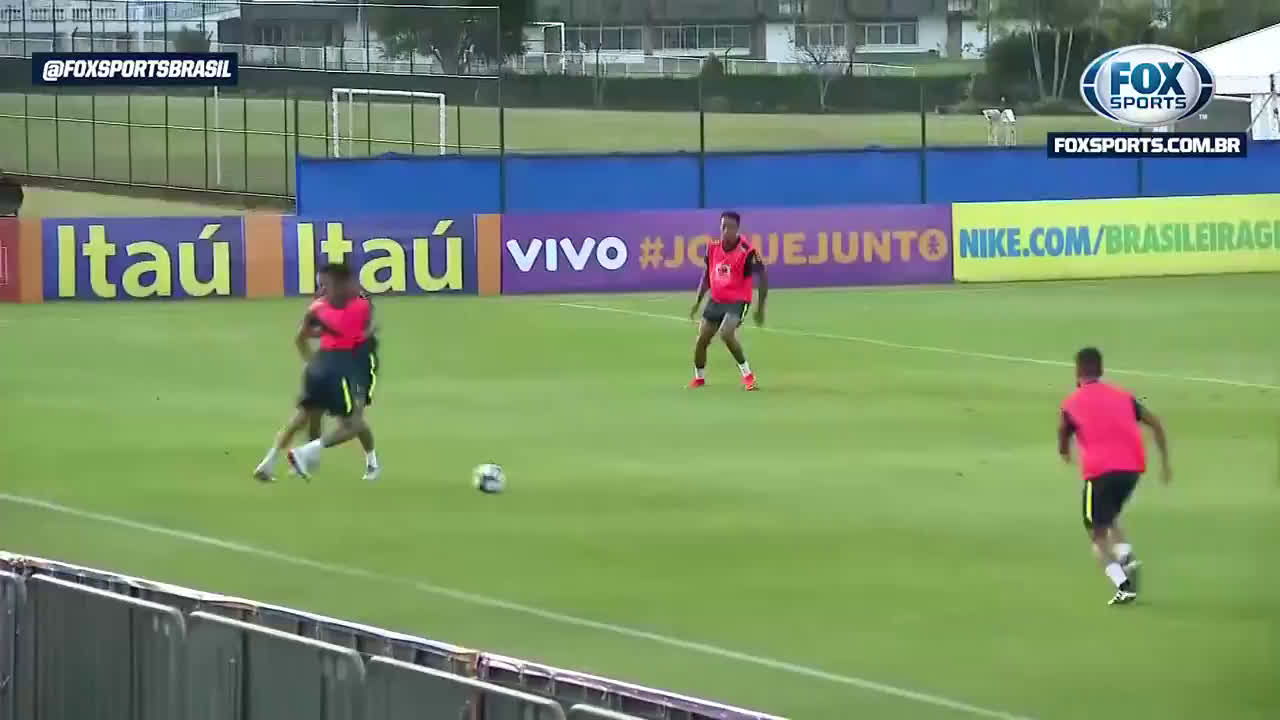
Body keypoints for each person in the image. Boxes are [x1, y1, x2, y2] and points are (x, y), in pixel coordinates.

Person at [1059, 347, 1171, 606]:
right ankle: (1126, 554)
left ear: (1077, 371)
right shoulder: (1123, 396)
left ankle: (1123, 584)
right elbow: (1156, 423)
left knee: (1096, 535)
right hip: (1131, 471)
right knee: (1109, 518)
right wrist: (1165, 464)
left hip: (1099, 473)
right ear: (1101, 370)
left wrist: (1065, 452)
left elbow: (1063, 440)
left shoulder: (1071, 403)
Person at [253, 262, 377, 482]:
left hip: (337, 363)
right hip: (345, 365)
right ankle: (307, 455)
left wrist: (312, 362)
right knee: (350, 421)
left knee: (306, 417)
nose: (322, 288)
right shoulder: (347, 304)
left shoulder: (326, 306)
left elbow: (302, 337)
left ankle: (275, 462)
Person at [305, 279, 381, 481]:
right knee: (316, 411)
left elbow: (369, 325)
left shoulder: (358, 297)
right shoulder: (321, 300)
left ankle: (372, 463)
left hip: (361, 362)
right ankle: (309, 458)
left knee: (354, 421)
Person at [687, 210, 768, 391]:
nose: (726, 231)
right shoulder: (712, 247)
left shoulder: (747, 251)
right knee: (702, 340)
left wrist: (760, 308)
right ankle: (699, 378)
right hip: (716, 300)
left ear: (737, 229)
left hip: (738, 301)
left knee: (726, 333)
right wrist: (698, 301)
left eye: (730, 227)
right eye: (723, 227)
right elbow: (707, 276)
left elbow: (763, 277)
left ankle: (748, 375)